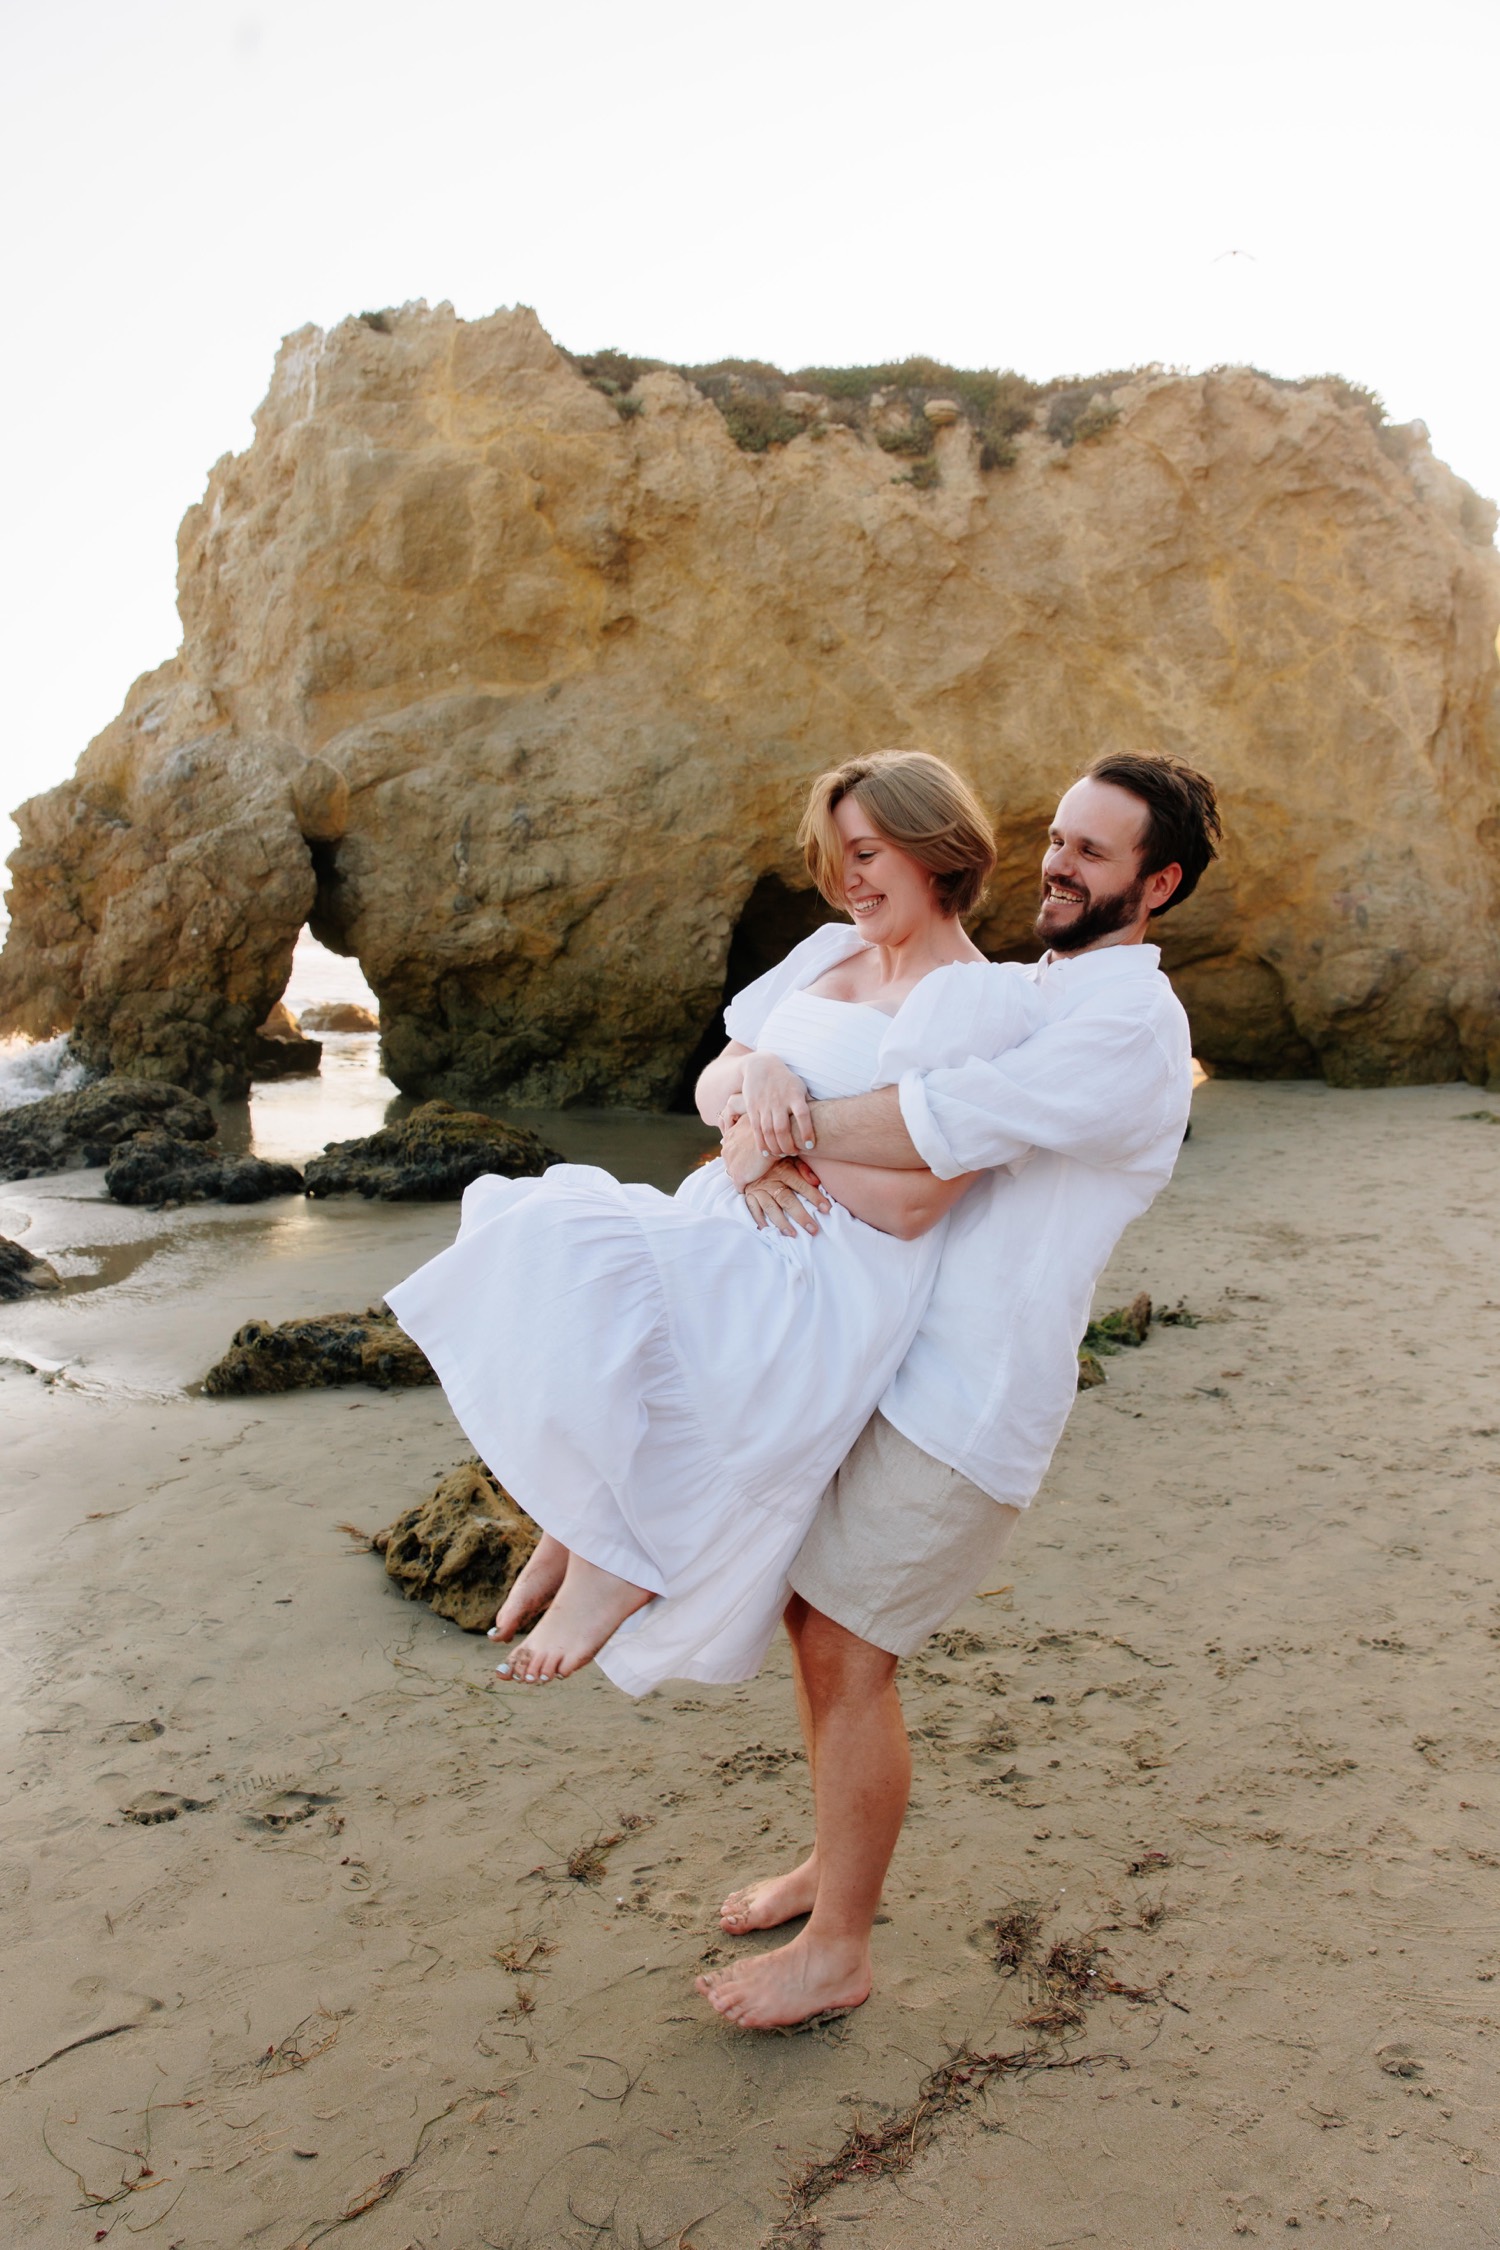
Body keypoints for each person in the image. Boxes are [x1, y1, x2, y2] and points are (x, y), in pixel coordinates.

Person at [696, 750, 1222, 2031]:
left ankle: (841, 1949)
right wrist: (762, 1083)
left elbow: (931, 1126)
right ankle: (834, 1864)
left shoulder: (1129, 1029)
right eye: (1058, 837)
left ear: (1157, 884)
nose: (1060, 862)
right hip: (890, 1358)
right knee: (811, 1629)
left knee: (848, 1649)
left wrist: (781, 1114)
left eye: (1096, 853)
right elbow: (884, 1082)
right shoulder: (1039, 988)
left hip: (971, 1398)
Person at [384, 752, 1044, 1700]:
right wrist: (760, 1084)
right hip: (728, 1213)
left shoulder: (986, 1002)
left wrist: (774, 1146)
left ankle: (612, 1557)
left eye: (867, 853)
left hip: (827, 1266)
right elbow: (710, 1086)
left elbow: (914, 1201)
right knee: (543, 1230)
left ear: (937, 850)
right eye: (834, 858)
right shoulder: (824, 953)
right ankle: (584, 1531)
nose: (845, 880)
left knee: (584, 1251)